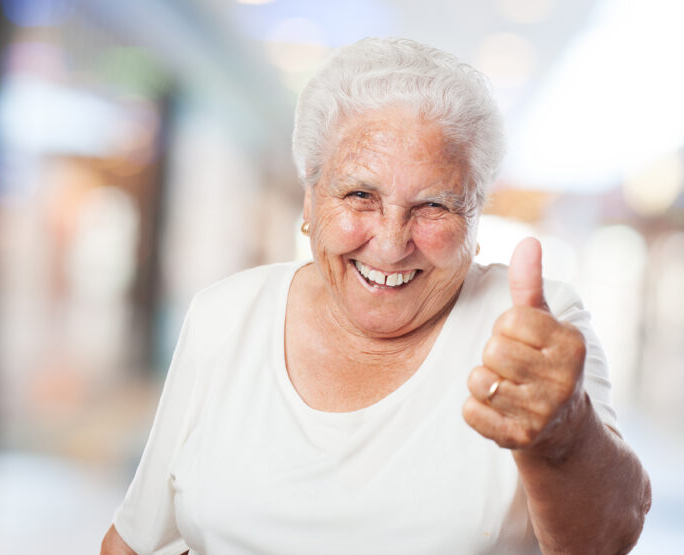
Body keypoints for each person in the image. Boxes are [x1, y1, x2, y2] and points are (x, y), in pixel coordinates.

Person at [101, 37, 650, 554]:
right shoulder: (225, 314)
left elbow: (610, 537)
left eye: (434, 205)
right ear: (310, 205)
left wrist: (565, 431)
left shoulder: (536, 330)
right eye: (360, 194)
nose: (390, 244)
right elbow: (134, 539)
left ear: (476, 220)